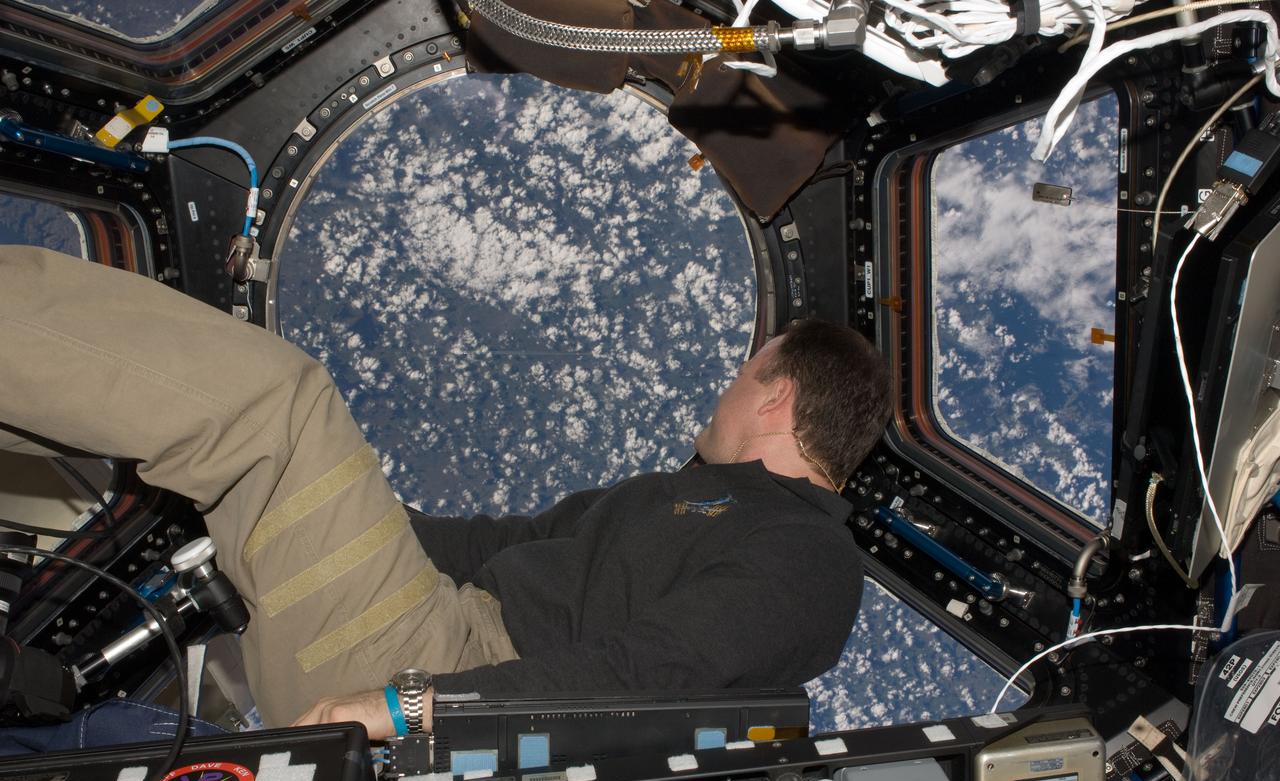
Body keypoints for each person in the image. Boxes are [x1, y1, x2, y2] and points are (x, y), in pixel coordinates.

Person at [0, 246, 891, 739]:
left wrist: (414, 705)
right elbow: (474, 546)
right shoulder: (660, 498)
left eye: (742, 377)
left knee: (275, 410)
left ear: (776, 394)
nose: (720, 394)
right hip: (438, 620)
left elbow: (652, 675)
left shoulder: (809, 554)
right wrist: (362, 506)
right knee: (226, 435)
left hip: (452, 675)